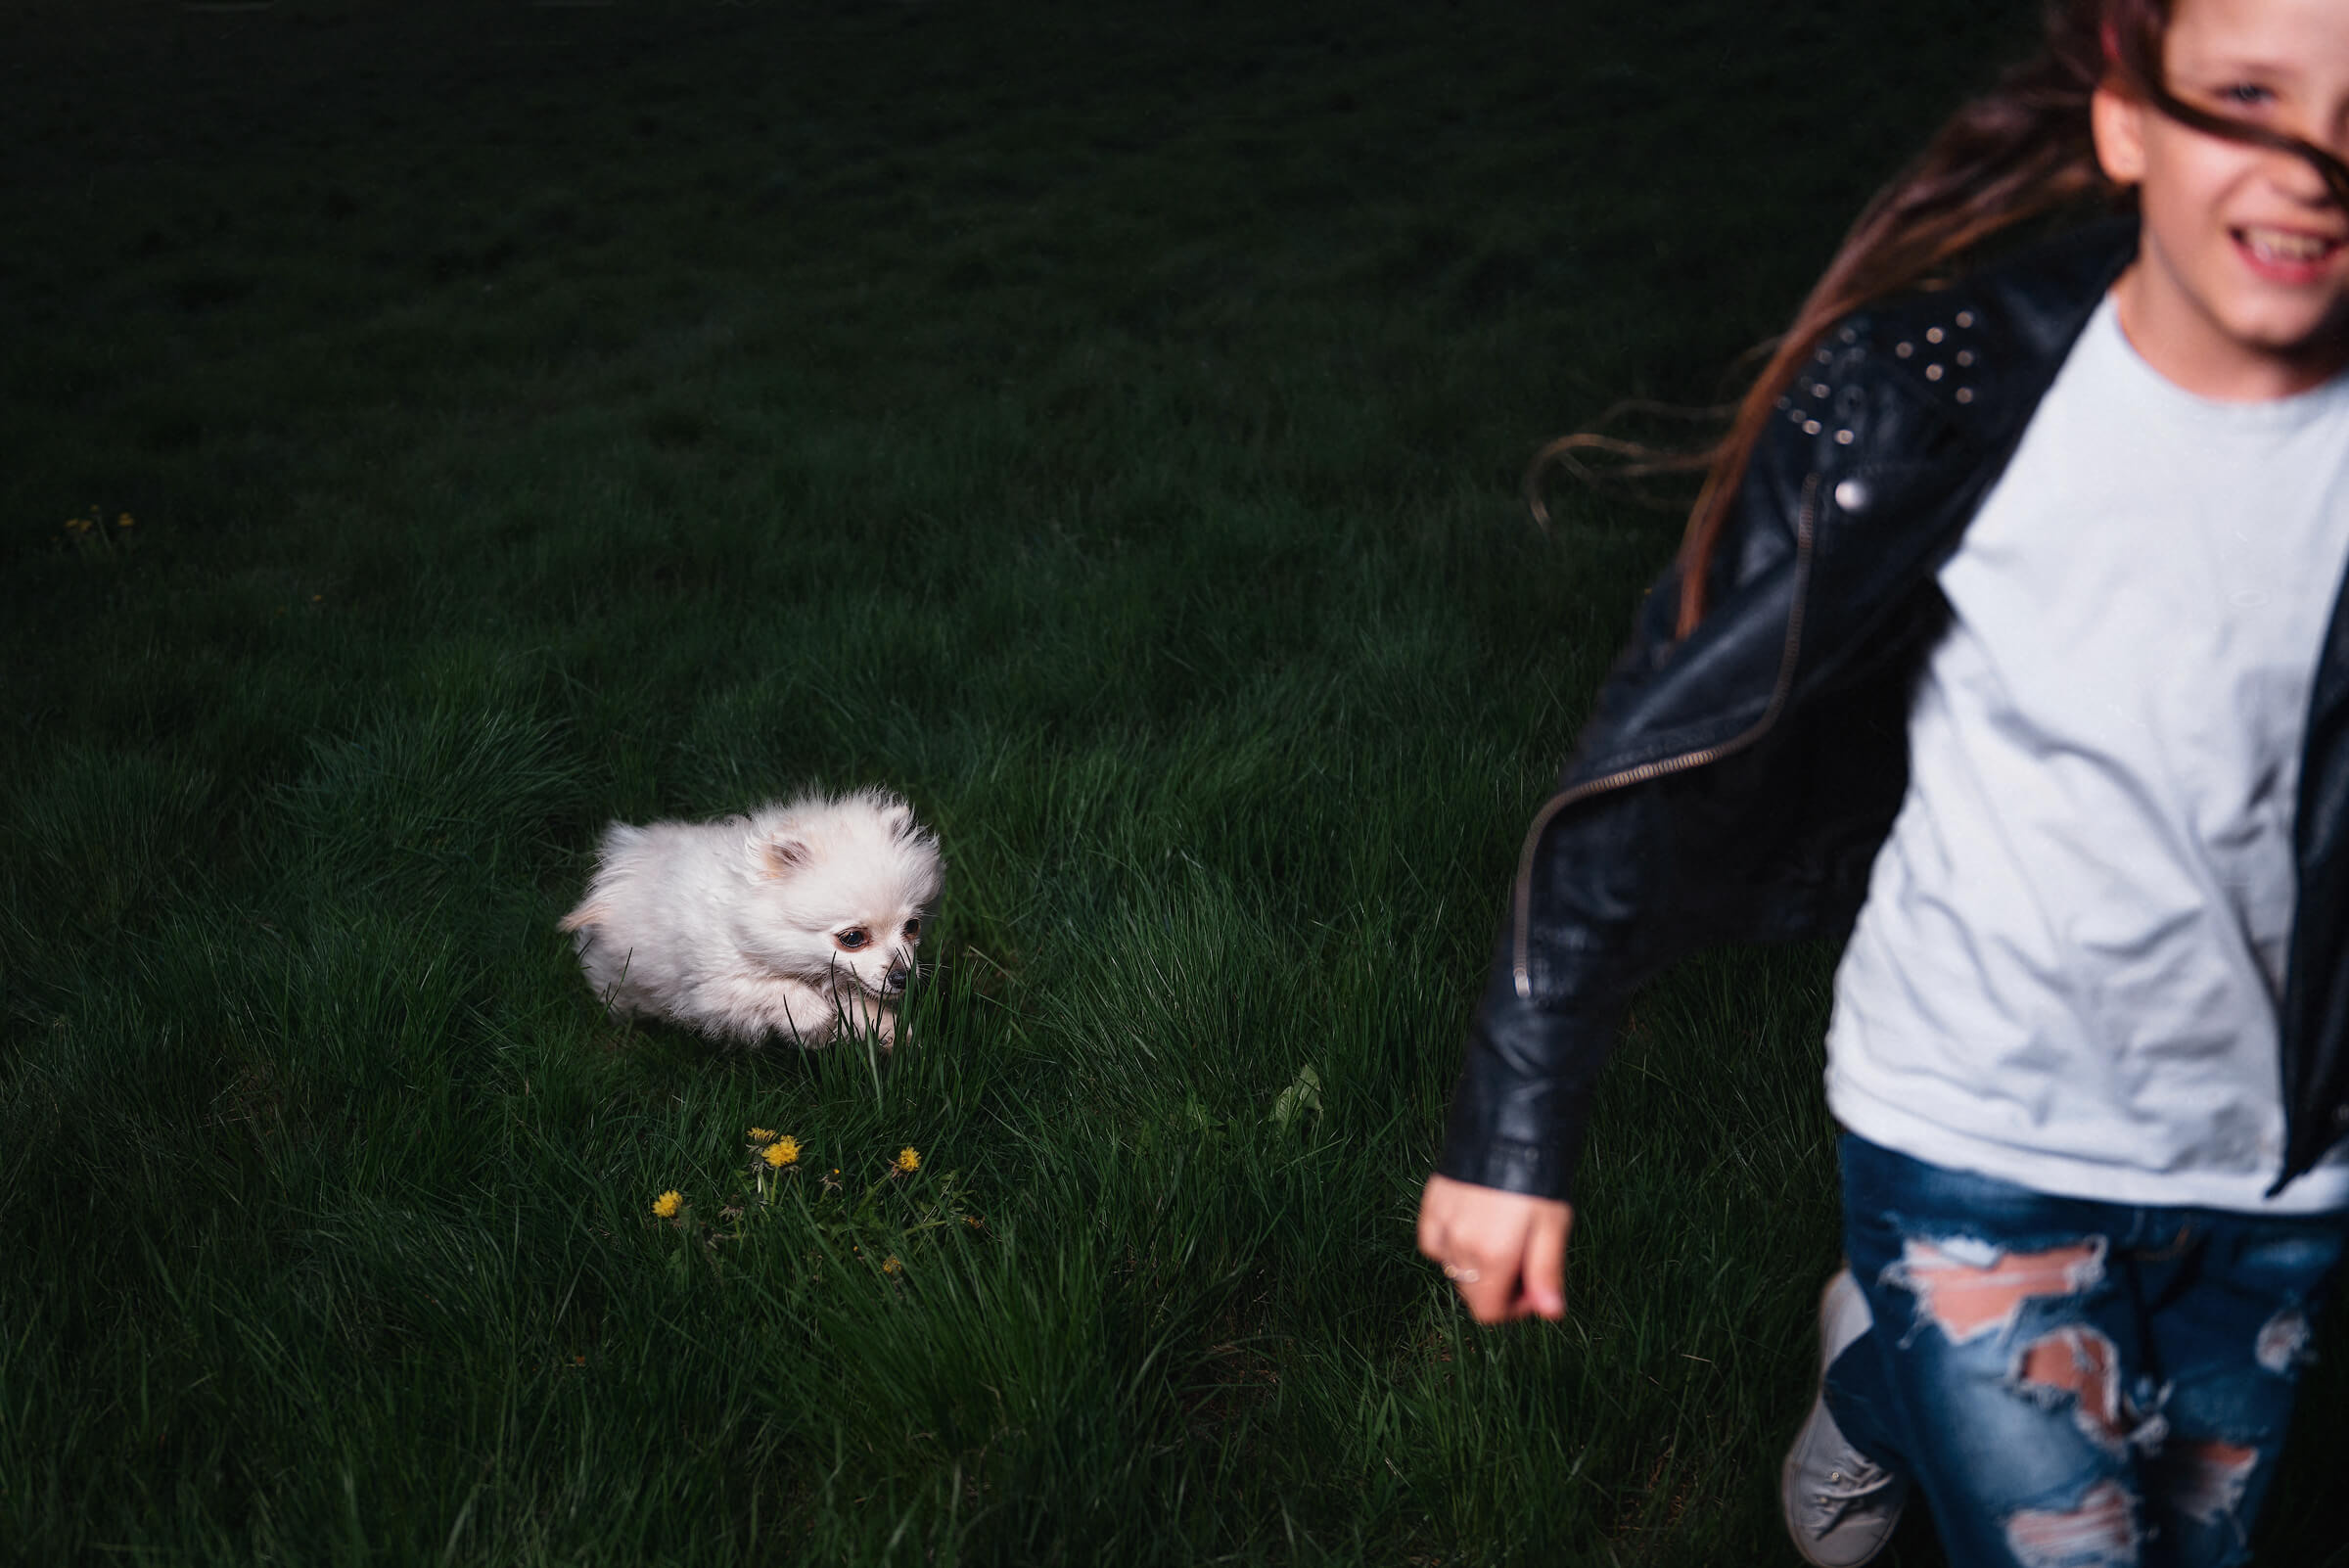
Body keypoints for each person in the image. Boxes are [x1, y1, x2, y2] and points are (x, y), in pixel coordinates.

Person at [1416, 0, 2349, 1562]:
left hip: (2280, 1161)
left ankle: (1879, 1367)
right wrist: (1517, 1127)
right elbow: (1657, 748)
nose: (2314, 160)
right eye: (2248, 93)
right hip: (1979, 1125)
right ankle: (1917, 1332)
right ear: (2128, 119)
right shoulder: (1948, 386)